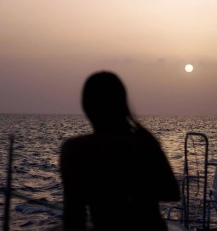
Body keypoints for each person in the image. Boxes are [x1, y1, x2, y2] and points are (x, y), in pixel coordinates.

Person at [60, 71, 180, 231]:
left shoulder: (75, 150)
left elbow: (74, 217)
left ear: (87, 107)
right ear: (122, 105)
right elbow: (172, 192)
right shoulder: (144, 142)